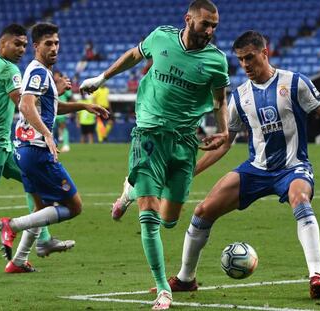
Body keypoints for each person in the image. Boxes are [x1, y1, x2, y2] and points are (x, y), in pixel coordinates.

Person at [129, 30, 320, 300]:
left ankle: (316, 276)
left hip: (293, 167)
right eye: (240, 60)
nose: (245, 65)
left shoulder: (295, 83)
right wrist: (190, 172)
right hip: (256, 168)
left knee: (300, 199)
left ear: (265, 53)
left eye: (250, 58)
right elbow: (225, 142)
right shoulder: (240, 96)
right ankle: (185, 278)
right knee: (203, 210)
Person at [80, 1, 229, 309]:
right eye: (205, 24)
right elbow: (135, 55)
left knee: (169, 219)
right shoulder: (161, 37)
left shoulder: (217, 61)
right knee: (149, 217)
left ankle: (129, 190)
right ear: (188, 19)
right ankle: (164, 288)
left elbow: (220, 100)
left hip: (185, 142)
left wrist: (224, 131)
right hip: (148, 134)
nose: (210, 31)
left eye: (215, 25)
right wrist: (102, 78)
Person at [0, 22, 109, 273]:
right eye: (48, 44)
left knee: (41, 209)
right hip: (37, 150)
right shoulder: (38, 72)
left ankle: (18, 261)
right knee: (74, 206)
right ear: (36, 46)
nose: (54, 48)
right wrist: (47, 134)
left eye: (57, 43)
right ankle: (11, 226)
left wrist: (82, 106)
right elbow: (26, 105)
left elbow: (48, 108)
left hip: (24, 149)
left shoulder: (41, 72)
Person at [0, 24, 74, 259]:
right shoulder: (10, 70)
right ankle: (26, 234)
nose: (21, 49)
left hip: (3, 145)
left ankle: (42, 241)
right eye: (17, 44)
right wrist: (55, 92)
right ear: (2, 43)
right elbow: (25, 105)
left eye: (24, 45)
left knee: (31, 179)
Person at [53, 70, 74, 152]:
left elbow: (70, 96)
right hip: (52, 111)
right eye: (55, 76)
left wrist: (71, 108)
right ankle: (53, 145)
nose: (56, 77)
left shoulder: (63, 86)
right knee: (50, 129)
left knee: (63, 127)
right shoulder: (50, 85)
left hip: (61, 110)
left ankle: (66, 145)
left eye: (57, 76)